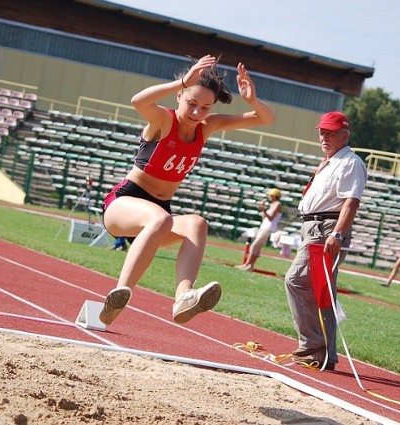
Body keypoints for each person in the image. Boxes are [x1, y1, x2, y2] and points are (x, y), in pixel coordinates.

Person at [99, 54, 276, 325]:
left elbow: (266, 119)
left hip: (158, 218)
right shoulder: (163, 120)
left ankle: (183, 298)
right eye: (192, 103)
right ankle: (120, 292)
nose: (197, 113)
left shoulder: (207, 127)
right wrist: (181, 80)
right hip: (124, 204)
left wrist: (252, 100)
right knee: (160, 218)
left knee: (197, 224)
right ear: (179, 96)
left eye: (205, 108)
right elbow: (138, 101)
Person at [284, 111, 367, 371]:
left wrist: (338, 234)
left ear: (345, 135)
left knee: (296, 281)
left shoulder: (349, 162)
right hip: (316, 226)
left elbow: (351, 201)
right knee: (322, 292)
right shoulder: (330, 162)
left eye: (330, 132)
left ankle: (313, 345)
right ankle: (324, 354)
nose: (324, 136)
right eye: (322, 131)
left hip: (326, 227)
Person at [236, 188, 283, 271]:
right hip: (264, 226)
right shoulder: (273, 204)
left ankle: (247, 265)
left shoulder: (277, 204)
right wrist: (263, 209)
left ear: (274, 196)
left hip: (268, 228)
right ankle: (250, 266)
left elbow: (271, 218)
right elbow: (265, 217)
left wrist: (264, 210)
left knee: (254, 246)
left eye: (270, 195)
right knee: (257, 247)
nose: (269, 196)